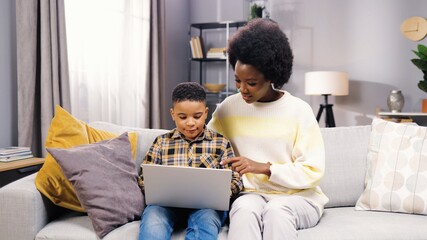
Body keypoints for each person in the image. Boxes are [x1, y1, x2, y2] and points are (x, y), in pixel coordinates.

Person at [207, 18, 329, 240]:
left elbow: (312, 171)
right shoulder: (228, 109)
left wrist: (263, 168)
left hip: (298, 197)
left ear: (272, 75)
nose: (242, 89)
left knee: (276, 211)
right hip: (250, 194)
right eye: (237, 81)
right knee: (243, 210)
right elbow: (205, 147)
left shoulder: (298, 110)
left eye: (251, 83)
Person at [138, 82, 243, 240]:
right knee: (153, 223)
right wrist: (154, 189)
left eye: (197, 116)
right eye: (182, 117)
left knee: (206, 222)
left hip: (206, 207)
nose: (190, 123)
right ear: (173, 114)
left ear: (206, 113)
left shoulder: (220, 143)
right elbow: (144, 176)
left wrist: (224, 191)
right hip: (166, 206)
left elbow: (235, 178)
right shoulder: (161, 142)